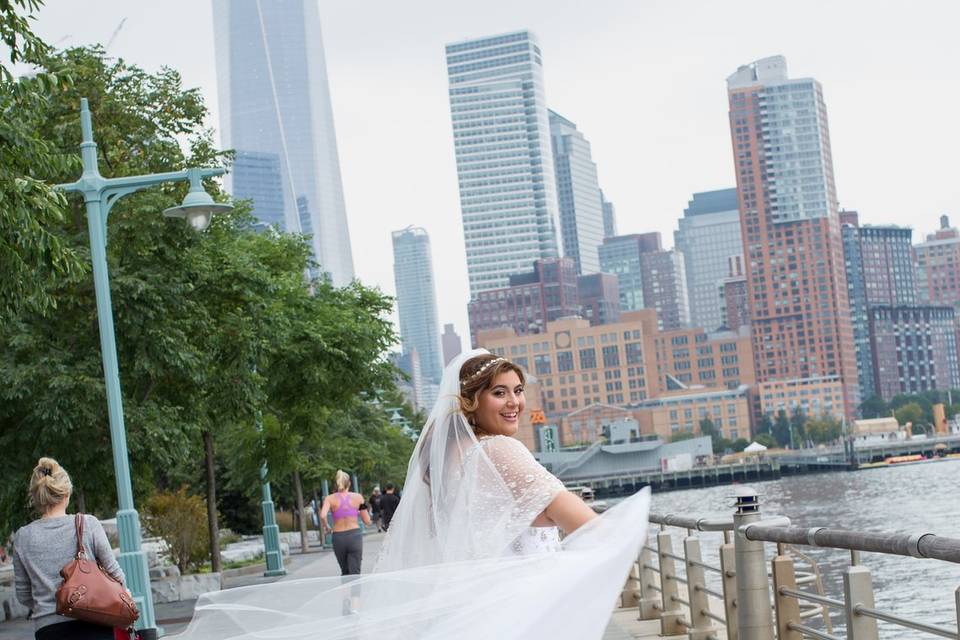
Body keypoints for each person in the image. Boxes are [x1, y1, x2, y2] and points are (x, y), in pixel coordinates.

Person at [174, 349, 650, 639]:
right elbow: (589, 526)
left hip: (476, 613)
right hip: (519, 616)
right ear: (472, 400)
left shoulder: (453, 461)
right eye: (499, 392)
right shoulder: (503, 451)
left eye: (518, 390)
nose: (514, 402)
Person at [13, 457, 127, 640]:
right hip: (94, 624)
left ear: (36, 496)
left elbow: (24, 595)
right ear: (66, 494)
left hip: (49, 630)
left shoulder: (22, 537)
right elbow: (117, 576)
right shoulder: (88, 524)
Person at [319, 470, 371, 576]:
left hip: (338, 537)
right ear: (350, 483)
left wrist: (327, 527)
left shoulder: (329, 498)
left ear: (337, 483)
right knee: (355, 572)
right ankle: (356, 593)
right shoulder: (358, 498)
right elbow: (366, 520)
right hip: (354, 536)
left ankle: (345, 592)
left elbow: (323, 515)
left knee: (345, 571)